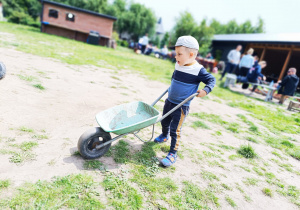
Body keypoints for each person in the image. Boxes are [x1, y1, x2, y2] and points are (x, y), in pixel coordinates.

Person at [154, 35, 216, 167]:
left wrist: (206, 90)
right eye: (176, 53)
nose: (175, 57)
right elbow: (174, 77)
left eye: (179, 54)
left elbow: (212, 80)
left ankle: (172, 153)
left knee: (175, 129)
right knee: (164, 121)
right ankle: (164, 135)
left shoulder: (198, 70)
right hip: (170, 100)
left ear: (191, 54)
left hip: (182, 106)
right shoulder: (179, 64)